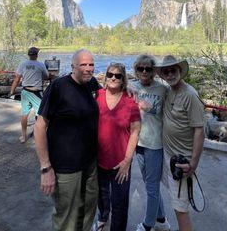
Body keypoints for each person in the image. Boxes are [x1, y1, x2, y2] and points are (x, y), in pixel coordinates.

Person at [34, 49, 101, 231]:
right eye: (83, 65)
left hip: (90, 163)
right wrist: (45, 167)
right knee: (67, 218)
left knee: (88, 209)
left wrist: (129, 90)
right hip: (65, 167)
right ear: (73, 67)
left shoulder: (92, 84)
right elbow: (39, 127)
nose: (88, 69)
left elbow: (111, 95)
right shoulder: (58, 87)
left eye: (91, 64)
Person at [156, 55, 205, 231]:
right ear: (162, 75)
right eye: (166, 71)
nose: (170, 74)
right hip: (168, 155)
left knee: (180, 209)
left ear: (180, 72)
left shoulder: (190, 95)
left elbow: (200, 130)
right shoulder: (168, 91)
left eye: (173, 70)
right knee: (175, 199)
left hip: (181, 160)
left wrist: (193, 163)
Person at [94, 63, 141, 231]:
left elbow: (135, 131)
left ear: (123, 80)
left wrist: (127, 161)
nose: (113, 77)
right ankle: (103, 216)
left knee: (120, 203)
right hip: (99, 160)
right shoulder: (96, 95)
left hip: (121, 163)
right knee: (102, 194)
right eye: (110, 74)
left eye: (118, 76)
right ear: (105, 77)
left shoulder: (130, 102)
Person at [131, 54, 171, 231]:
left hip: (155, 144)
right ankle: (161, 220)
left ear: (154, 71)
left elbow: (174, 111)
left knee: (152, 186)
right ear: (136, 70)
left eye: (148, 68)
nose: (144, 71)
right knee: (150, 184)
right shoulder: (132, 87)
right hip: (138, 142)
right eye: (141, 68)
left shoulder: (163, 89)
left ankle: (148, 225)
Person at [9, 46, 49, 143]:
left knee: (24, 114)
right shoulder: (41, 65)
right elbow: (46, 76)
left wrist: (11, 91)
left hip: (25, 92)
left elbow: (17, 79)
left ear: (28, 55)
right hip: (36, 93)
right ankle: (39, 134)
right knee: (41, 115)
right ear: (37, 55)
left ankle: (23, 137)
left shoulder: (23, 64)